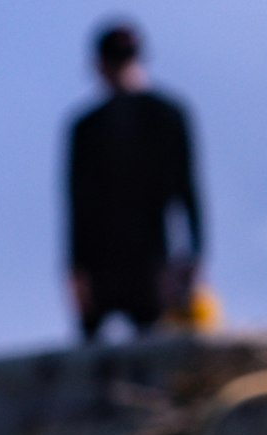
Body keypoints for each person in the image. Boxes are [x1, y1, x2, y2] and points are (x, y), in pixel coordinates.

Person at [67, 20, 204, 340]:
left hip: (153, 262)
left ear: (97, 65)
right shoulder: (87, 127)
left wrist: (193, 257)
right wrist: (75, 271)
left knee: (156, 348)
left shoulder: (165, 115)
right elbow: (76, 202)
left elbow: (187, 188)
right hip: (109, 265)